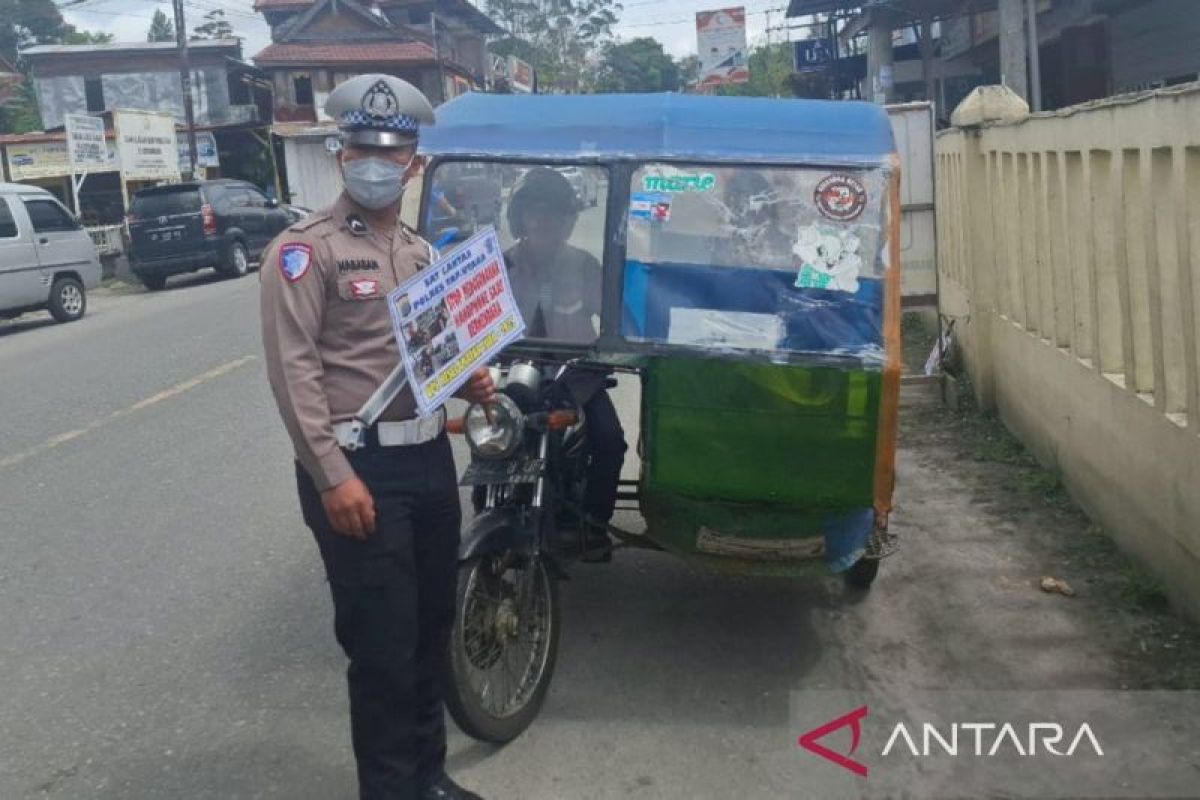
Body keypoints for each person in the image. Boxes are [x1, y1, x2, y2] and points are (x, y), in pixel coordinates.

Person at [259, 73, 495, 800]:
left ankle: (427, 777)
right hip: (359, 470)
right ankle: (390, 790)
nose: (376, 161)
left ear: (413, 163)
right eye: (362, 146)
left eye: (391, 152)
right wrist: (332, 476)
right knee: (383, 648)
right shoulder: (304, 252)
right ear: (340, 152)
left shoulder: (423, 254)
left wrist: (469, 382)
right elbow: (294, 371)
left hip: (429, 459)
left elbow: (428, 358)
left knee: (428, 632)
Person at [503, 167, 627, 558]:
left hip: (573, 376)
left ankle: (592, 527)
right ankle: (490, 510)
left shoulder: (585, 264)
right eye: (534, 211)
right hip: (512, 375)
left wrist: (618, 347)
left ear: (568, 220)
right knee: (490, 440)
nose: (543, 220)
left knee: (609, 440)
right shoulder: (499, 266)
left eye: (554, 212)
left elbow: (614, 320)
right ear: (519, 217)